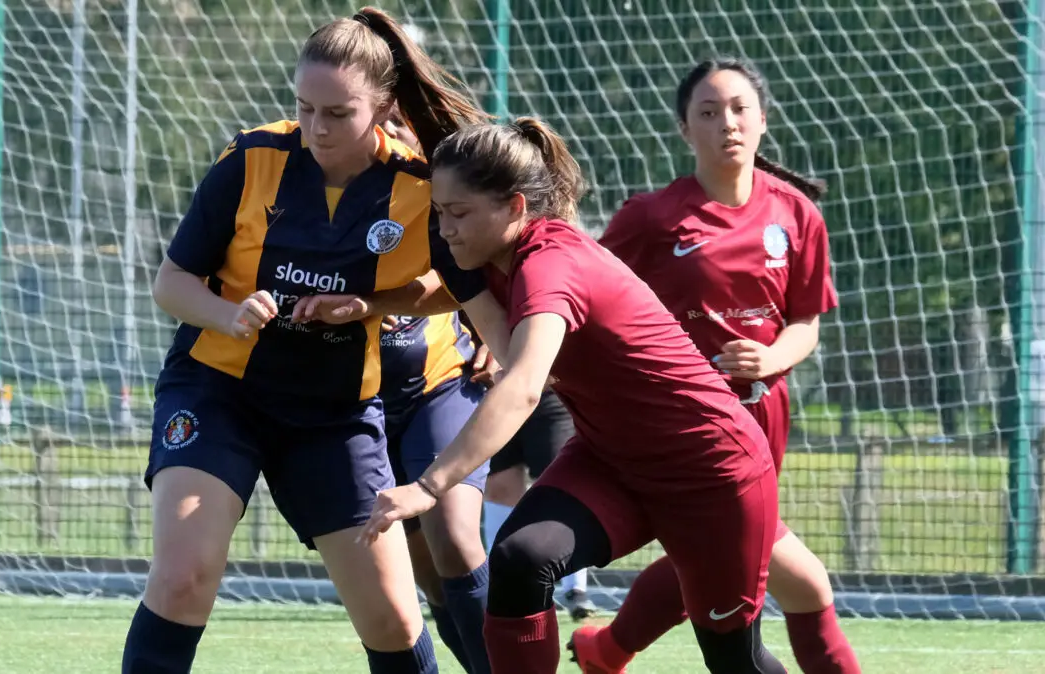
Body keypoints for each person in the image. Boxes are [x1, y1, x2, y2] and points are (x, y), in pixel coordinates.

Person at [122, 8, 496, 673]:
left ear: (382, 105)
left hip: (335, 413)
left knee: (392, 617)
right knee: (183, 577)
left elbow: (455, 285)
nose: (318, 127)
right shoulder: (252, 158)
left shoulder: (417, 185)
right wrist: (226, 313)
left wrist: (371, 304)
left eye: (338, 112)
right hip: (219, 393)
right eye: (305, 107)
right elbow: (172, 282)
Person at [359, 117, 788, 674]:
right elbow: (469, 305)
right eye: (438, 212)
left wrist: (429, 485)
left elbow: (522, 387)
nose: (444, 229)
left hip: (711, 472)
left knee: (736, 661)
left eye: (458, 213)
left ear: (515, 207)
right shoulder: (496, 258)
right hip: (612, 461)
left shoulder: (551, 266)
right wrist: (370, 302)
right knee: (520, 558)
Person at [569, 57, 862, 674]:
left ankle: (606, 651)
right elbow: (581, 289)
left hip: (765, 417)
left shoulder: (797, 215)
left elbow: (805, 323)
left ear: (762, 120)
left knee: (706, 554)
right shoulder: (651, 217)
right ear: (684, 129)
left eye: (738, 109)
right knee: (793, 580)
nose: (726, 122)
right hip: (686, 425)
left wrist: (770, 357)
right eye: (707, 111)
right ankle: (611, 650)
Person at [375, 108, 492, 674]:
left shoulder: (448, 194)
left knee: (454, 536)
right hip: (352, 408)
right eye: (377, 121)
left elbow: (504, 257)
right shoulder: (311, 188)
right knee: (418, 573)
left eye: (399, 119)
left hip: (440, 387)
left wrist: (497, 324)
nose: (388, 132)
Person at [484, 388, 597, 620]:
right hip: (495, 394)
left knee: (563, 483)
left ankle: (575, 589)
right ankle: (498, 586)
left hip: (549, 390)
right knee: (498, 487)